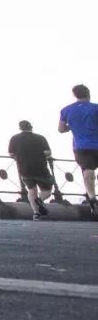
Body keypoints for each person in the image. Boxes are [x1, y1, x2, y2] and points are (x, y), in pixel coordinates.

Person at [58, 84, 98, 219]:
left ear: (75, 95)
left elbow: (61, 129)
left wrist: (72, 126)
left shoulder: (66, 110)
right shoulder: (95, 108)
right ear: (88, 93)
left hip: (81, 147)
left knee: (88, 170)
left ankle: (92, 197)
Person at [7, 120, 53, 221]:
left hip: (24, 168)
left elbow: (11, 154)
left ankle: (36, 214)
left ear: (20, 128)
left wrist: (20, 157)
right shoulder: (40, 138)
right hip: (41, 168)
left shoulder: (14, 138)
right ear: (31, 127)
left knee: (32, 190)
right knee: (47, 191)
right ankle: (40, 200)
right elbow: (48, 152)